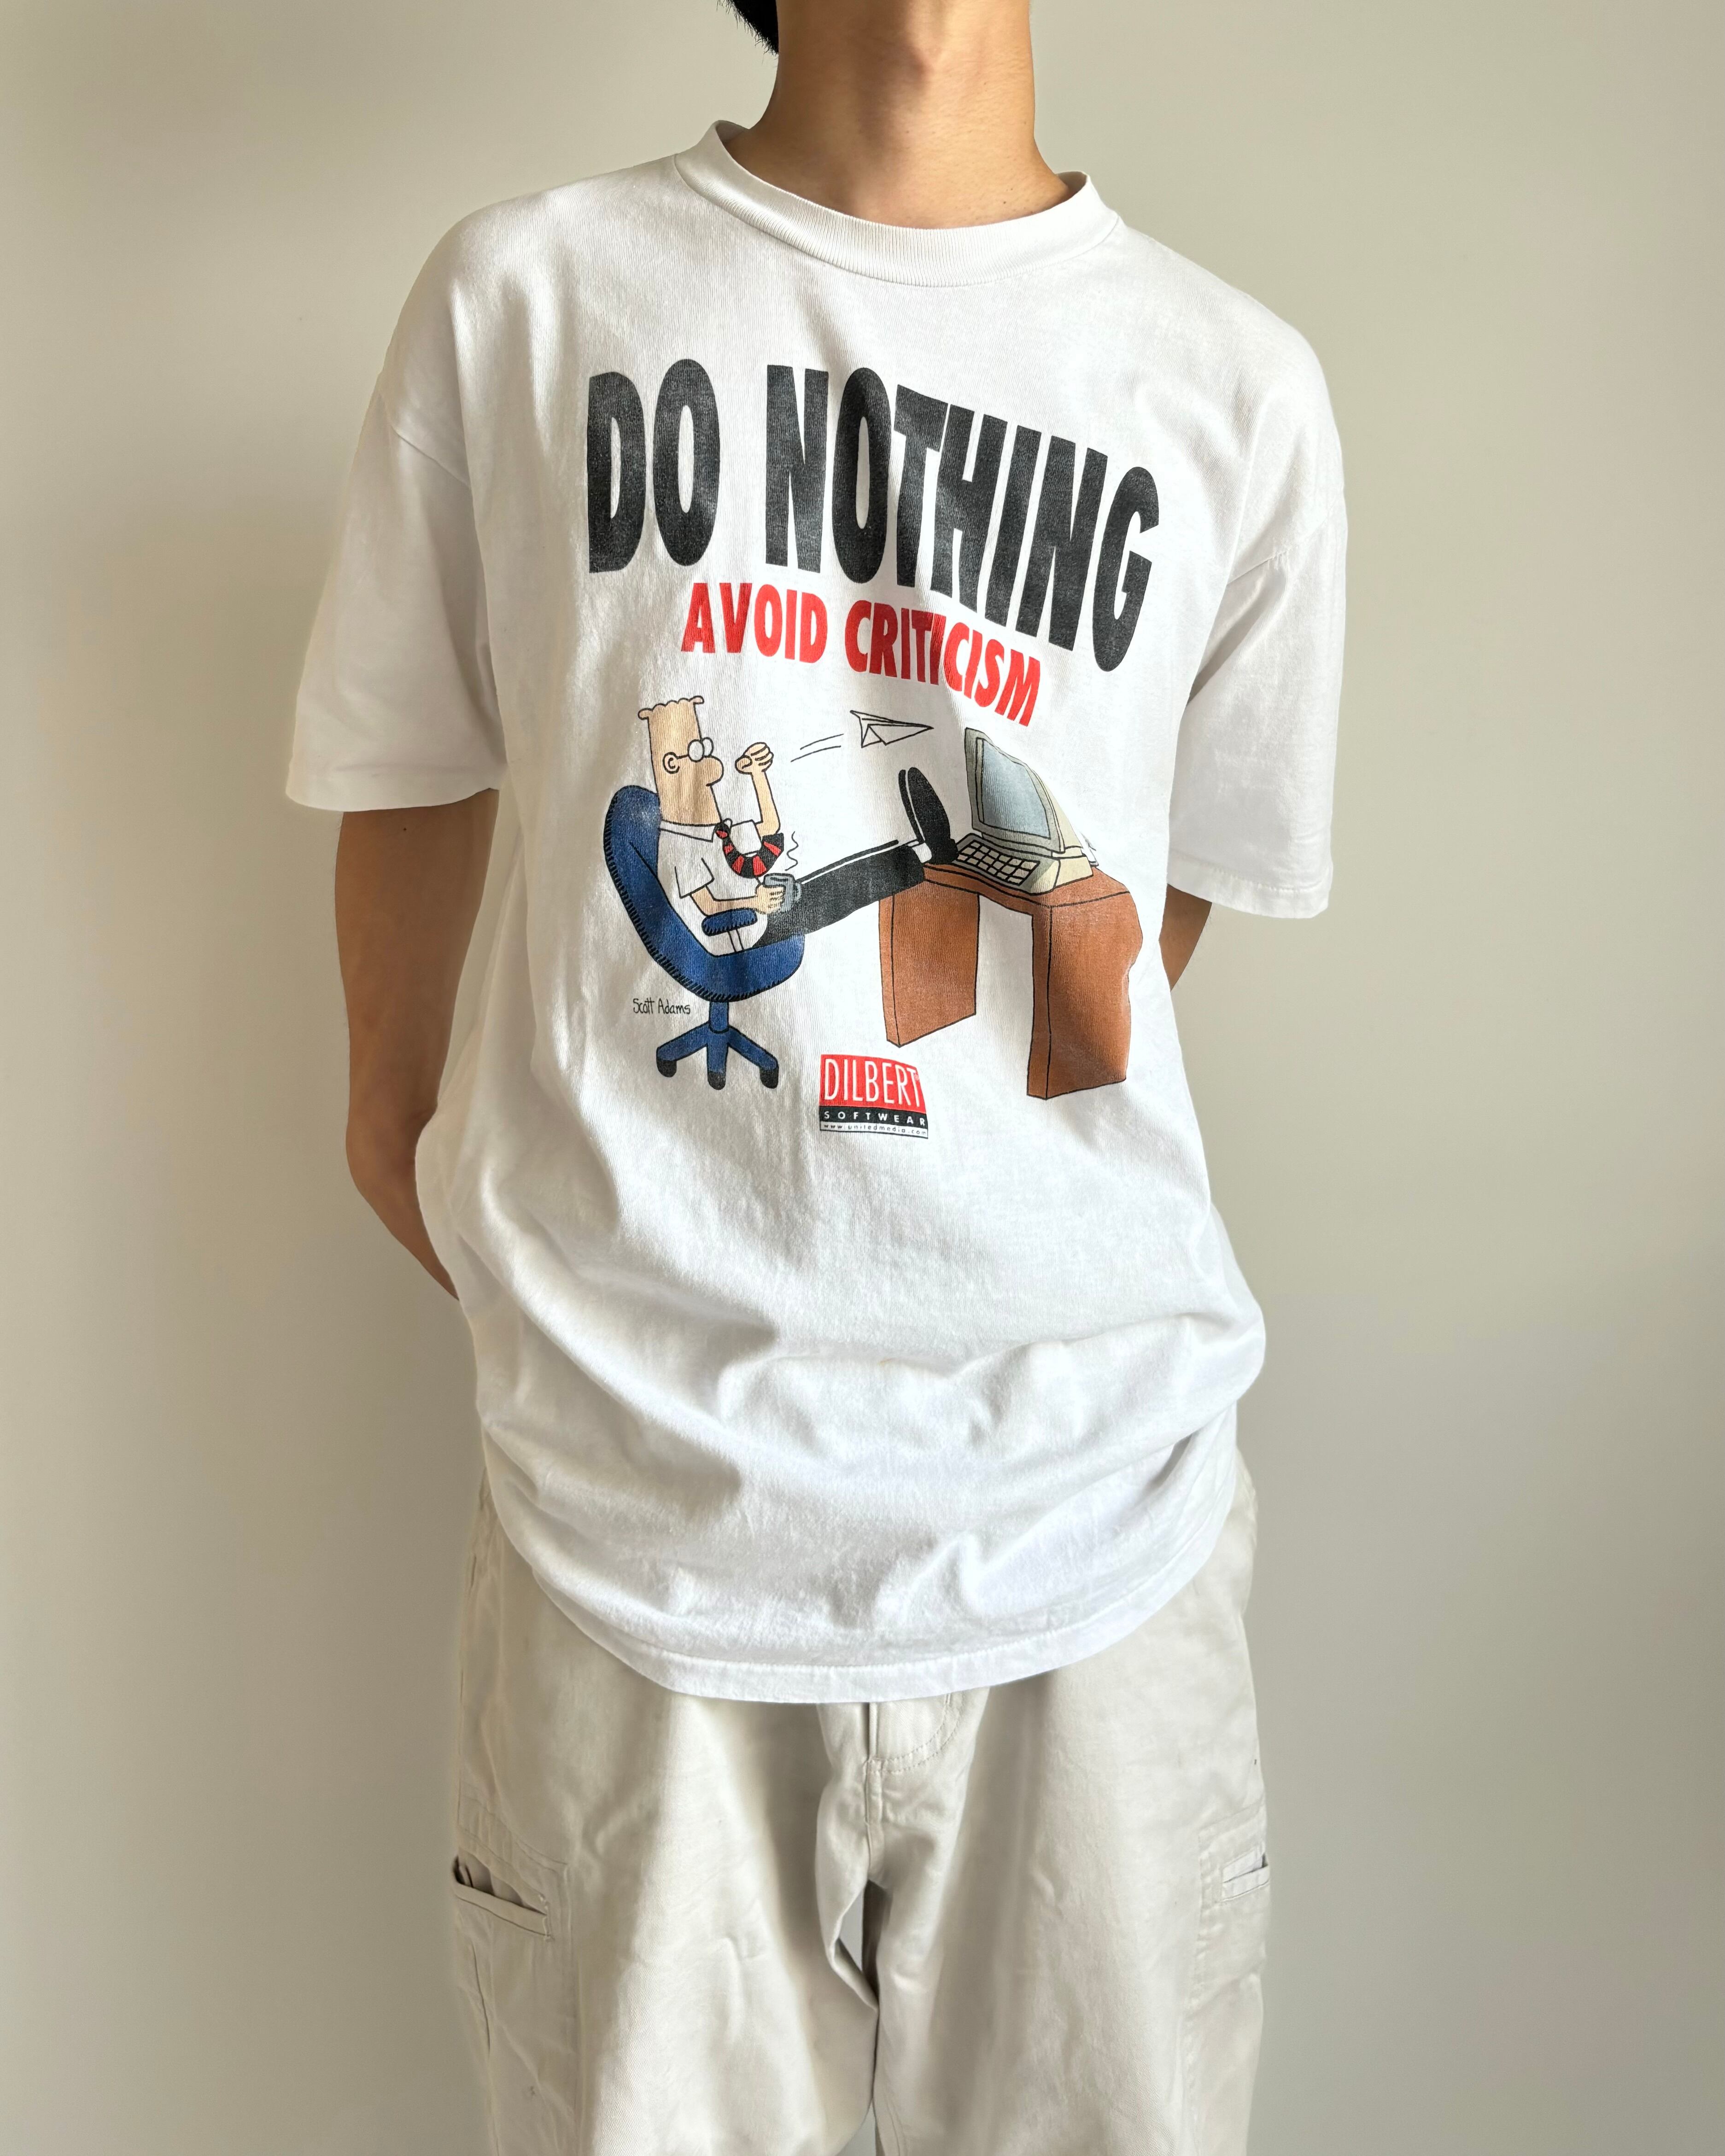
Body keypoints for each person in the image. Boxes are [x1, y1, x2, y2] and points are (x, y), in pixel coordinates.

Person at [288, 0, 1345, 2148]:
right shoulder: (530, 299)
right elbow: (403, 760)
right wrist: (436, 1147)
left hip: (1098, 1516)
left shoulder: (1232, 385)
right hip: (632, 1526)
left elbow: (1139, 925)